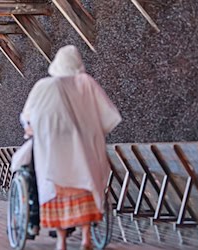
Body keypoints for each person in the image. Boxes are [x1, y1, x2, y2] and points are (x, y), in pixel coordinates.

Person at [20, 45, 122, 250]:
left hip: (53, 151)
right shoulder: (86, 83)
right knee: (84, 187)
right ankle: (86, 237)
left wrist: (32, 128)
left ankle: (62, 241)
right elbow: (108, 116)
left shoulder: (45, 86)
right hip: (84, 150)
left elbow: (28, 117)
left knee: (58, 191)